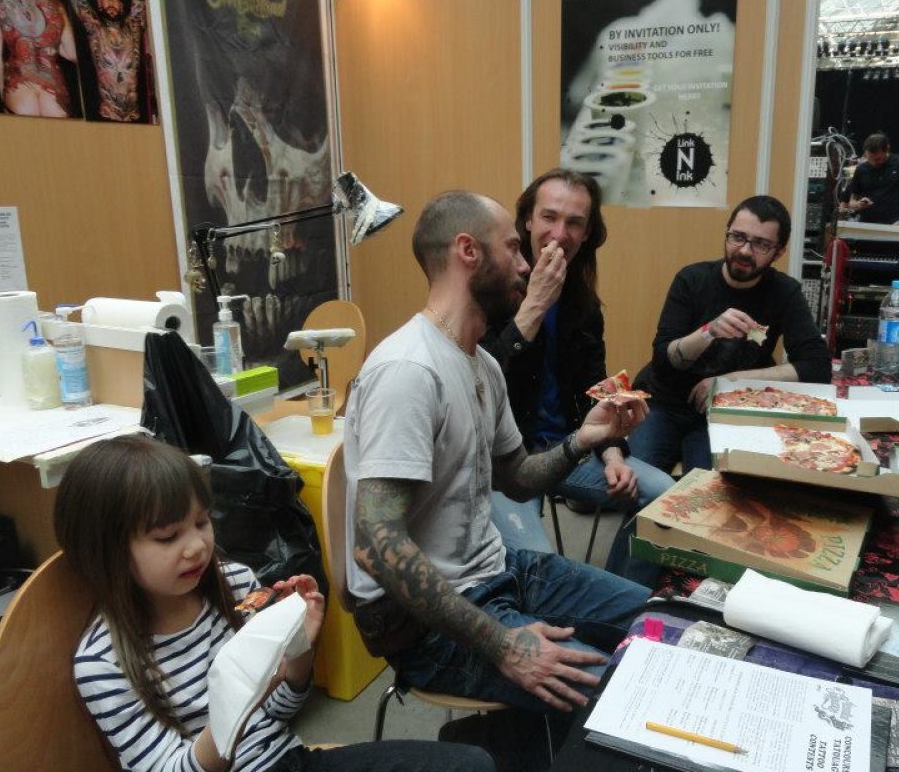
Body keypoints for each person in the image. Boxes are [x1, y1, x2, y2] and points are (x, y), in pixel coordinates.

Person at [58, 435, 495, 772]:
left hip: (293, 770)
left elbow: (279, 713)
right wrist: (239, 697)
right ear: (109, 551)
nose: (196, 546)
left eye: (202, 522)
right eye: (168, 536)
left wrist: (298, 650)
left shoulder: (234, 585)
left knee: (472, 771)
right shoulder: (102, 663)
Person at [344, 190, 650, 714]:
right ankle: (500, 746)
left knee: (659, 620)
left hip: (498, 570)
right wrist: (502, 644)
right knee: (621, 700)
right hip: (425, 625)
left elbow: (518, 479)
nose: (526, 264)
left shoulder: (482, 364)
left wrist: (584, 439)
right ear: (468, 251)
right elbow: (375, 544)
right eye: (512, 247)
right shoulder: (408, 370)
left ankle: (500, 740)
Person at [480, 168, 674, 584]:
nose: (559, 233)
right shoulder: (492, 290)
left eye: (574, 223)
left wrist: (614, 454)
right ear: (527, 220)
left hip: (571, 449)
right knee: (540, 573)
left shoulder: (582, 303)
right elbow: (477, 381)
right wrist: (532, 306)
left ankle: (622, 598)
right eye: (549, 217)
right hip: (505, 462)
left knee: (666, 499)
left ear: (587, 234)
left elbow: (597, 389)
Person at [628, 195, 832, 474]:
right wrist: (708, 331)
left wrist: (730, 381)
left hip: (726, 410)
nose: (745, 251)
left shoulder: (785, 292)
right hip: (664, 402)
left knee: (709, 486)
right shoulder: (692, 280)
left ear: (779, 252)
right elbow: (663, 360)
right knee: (636, 481)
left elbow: (817, 368)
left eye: (761, 244)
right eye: (738, 237)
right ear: (727, 233)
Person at [0, 0, 76, 116]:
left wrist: (2, 92)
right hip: (54, 90)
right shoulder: (56, 3)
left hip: (19, 86)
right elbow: (71, 53)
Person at [841, 132, 899, 225]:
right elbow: (851, 201)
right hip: (865, 224)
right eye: (869, 158)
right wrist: (859, 204)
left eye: (877, 159)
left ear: (887, 149)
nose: (873, 163)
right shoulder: (861, 169)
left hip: (894, 224)